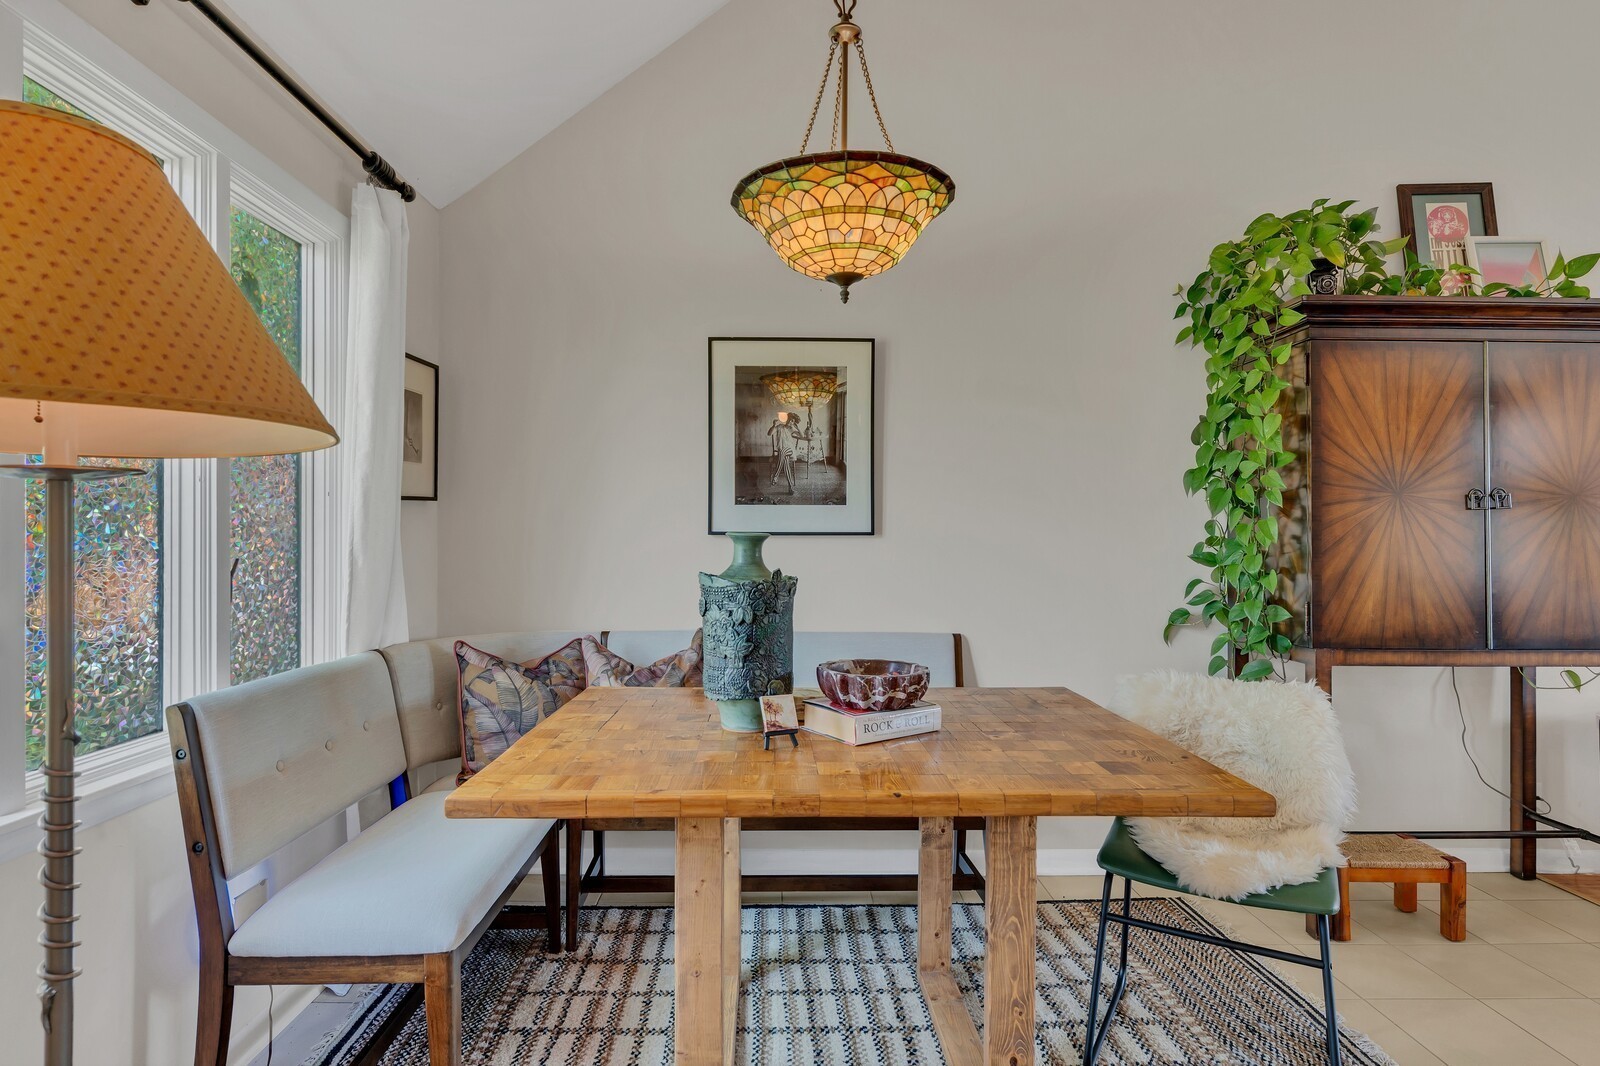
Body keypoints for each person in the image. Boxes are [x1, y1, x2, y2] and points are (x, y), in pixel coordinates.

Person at [767, 410, 809, 495]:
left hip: (790, 450)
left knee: (783, 452)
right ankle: (790, 488)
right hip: (782, 452)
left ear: (794, 423)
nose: (790, 421)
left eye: (792, 421)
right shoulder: (779, 427)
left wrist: (797, 428)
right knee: (785, 463)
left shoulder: (792, 429)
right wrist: (773, 425)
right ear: (787, 419)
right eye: (789, 419)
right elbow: (769, 433)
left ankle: (776, 475)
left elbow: (801, 436)